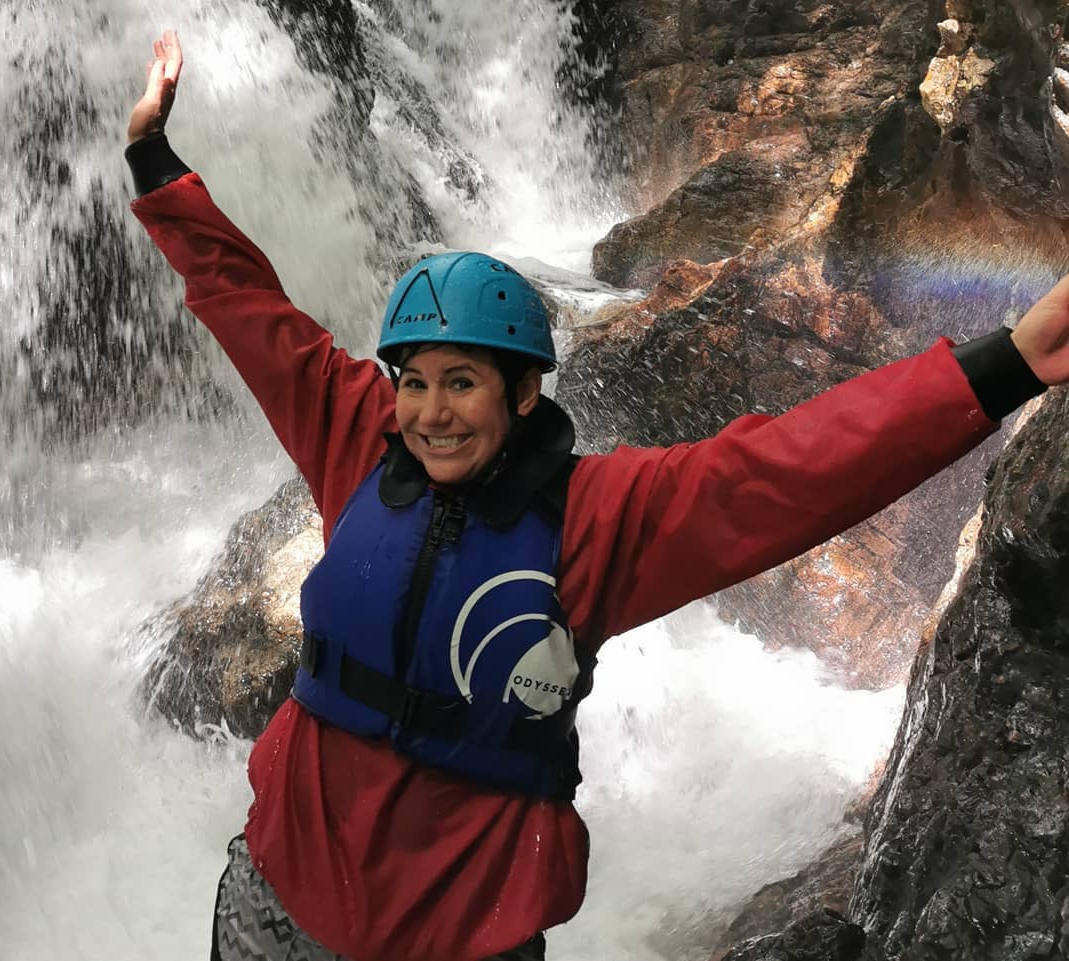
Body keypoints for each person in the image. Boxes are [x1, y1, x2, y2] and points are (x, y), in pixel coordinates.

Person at [124, 30, 1068, 961]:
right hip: (280, 904)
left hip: (459, 937)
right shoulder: (356, 442)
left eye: (463, 383)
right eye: (415, 380)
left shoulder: (602, 518)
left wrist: (1003, 366)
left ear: (525, 393)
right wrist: (155, 161)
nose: (430, 411)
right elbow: (250, 311)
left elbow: (794, 470)